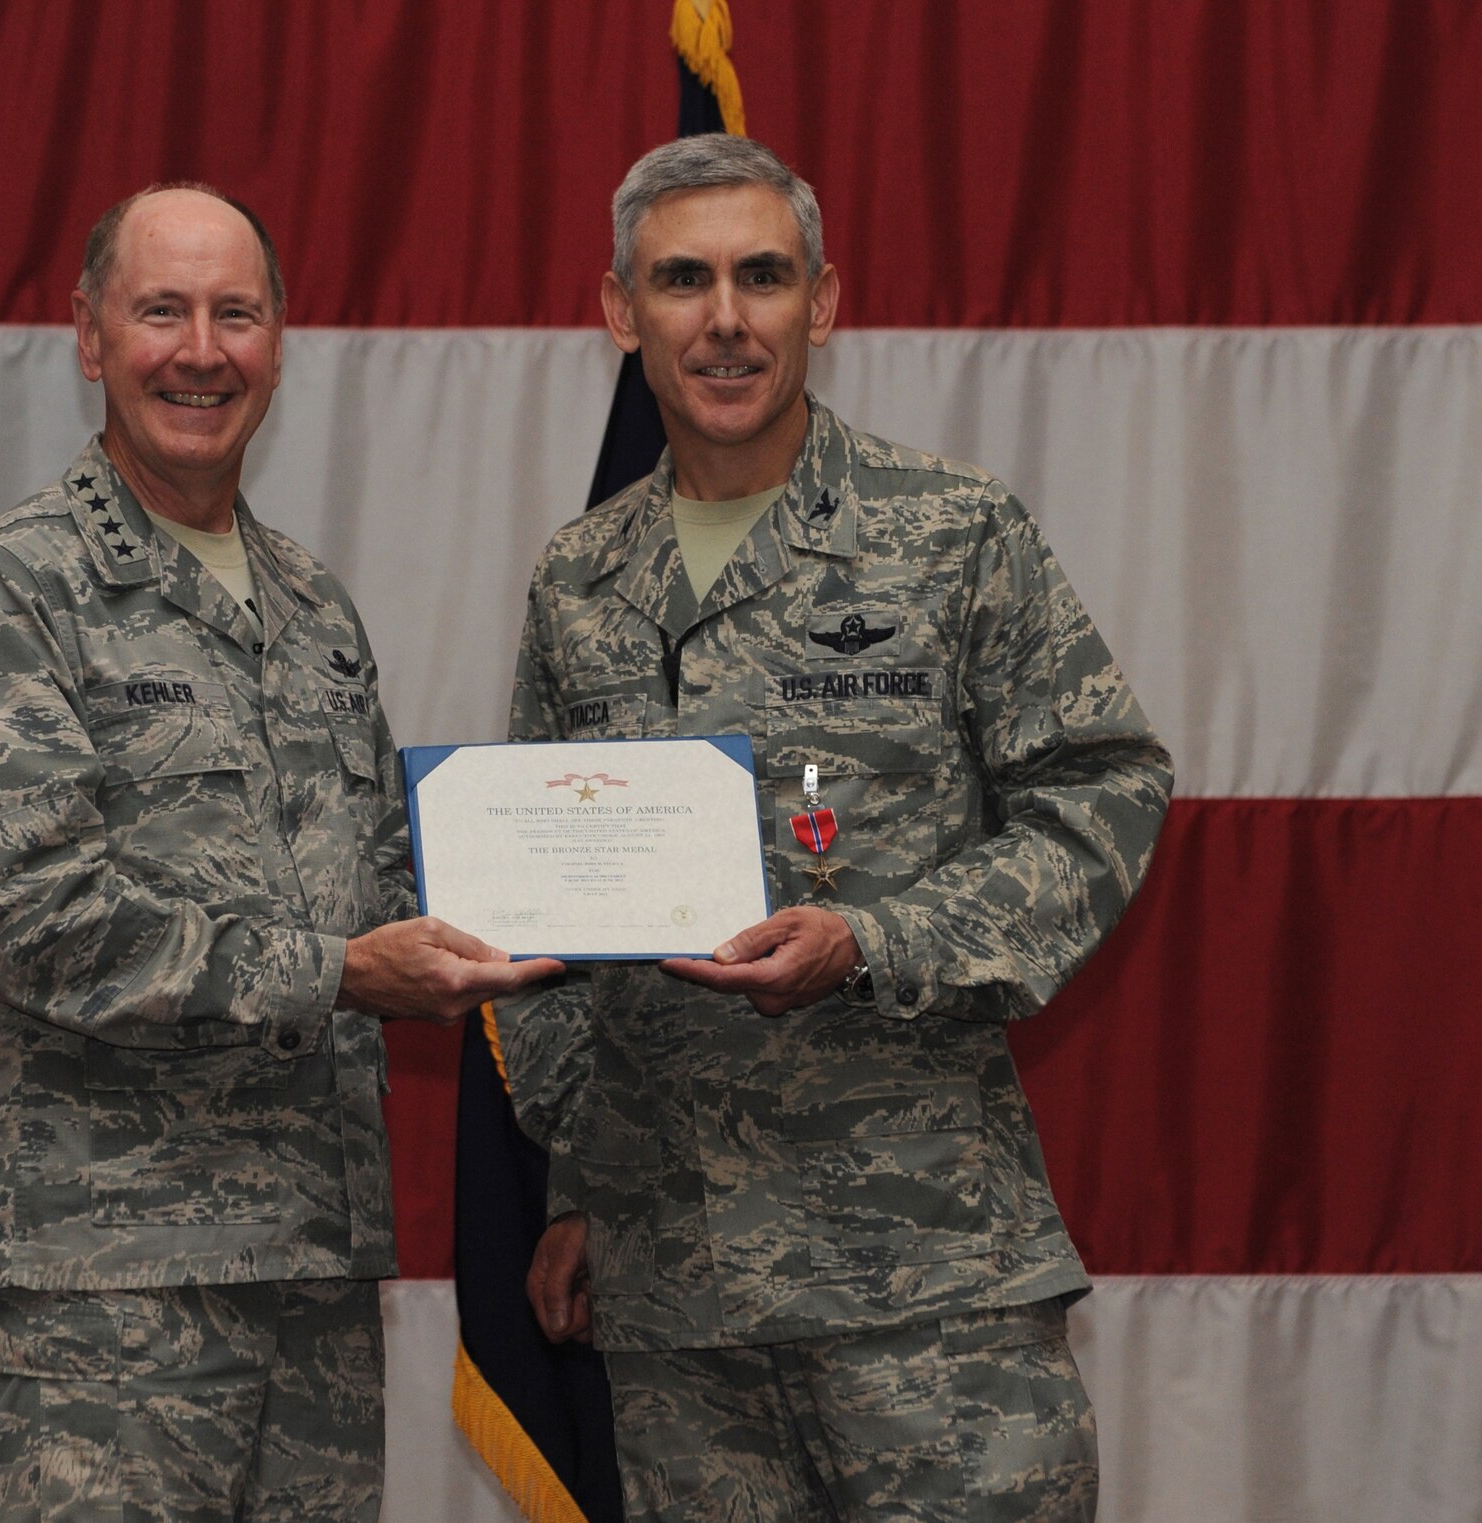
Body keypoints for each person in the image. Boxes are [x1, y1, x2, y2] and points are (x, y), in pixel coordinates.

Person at [498, 135, 1172, 1522]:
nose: (726, 319)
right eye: (682, 281)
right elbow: (545, 894)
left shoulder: (952, 530)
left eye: (764, 277)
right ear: (622, 311)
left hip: (926, 1284)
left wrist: (877, 941)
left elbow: (1104, 788)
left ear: (826, 302)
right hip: (679, 1300)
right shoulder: (579, 577)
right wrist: (581, 1174)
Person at [0, 184, 559, 1523]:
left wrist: (582, 886)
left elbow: (386, 889)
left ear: (278, 342)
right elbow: (40, 919)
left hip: (310, 1302)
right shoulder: (11, 590)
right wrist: (344, 971)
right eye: (161, 311)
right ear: (90, 337)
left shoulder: (314, 607)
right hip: (94, 1323)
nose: (201, 350)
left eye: (236, 314)